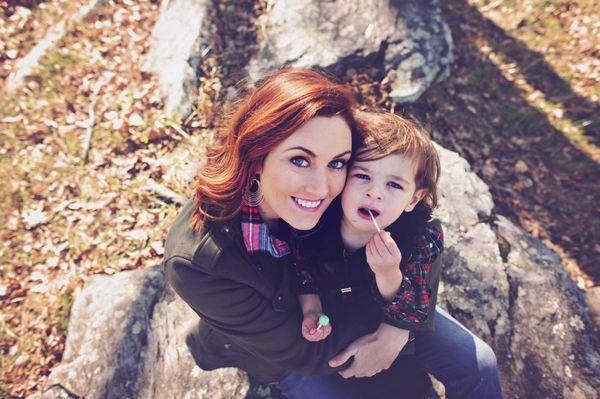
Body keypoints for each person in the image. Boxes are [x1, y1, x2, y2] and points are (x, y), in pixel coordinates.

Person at [163, 68, 502, 399]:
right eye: (299, 160)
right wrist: (389, 334)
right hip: (292, 347)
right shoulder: (198, 262)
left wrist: (398, 327)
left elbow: (421, 231)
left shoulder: (355, 189)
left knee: (478, 364)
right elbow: (301, 354)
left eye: (338, 163)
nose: (321, 187)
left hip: (365, 298)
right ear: (256, 154)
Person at [294, 111, 443, 348]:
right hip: (334, 333)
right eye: (362, 175)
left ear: (413, 199)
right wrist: (312, 308)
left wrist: (388, 274)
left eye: (394, 184)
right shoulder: (315, 219)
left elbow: (415, 314)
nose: (374, 192)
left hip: (391, 335)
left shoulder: (419, 239)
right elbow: (301, 269)